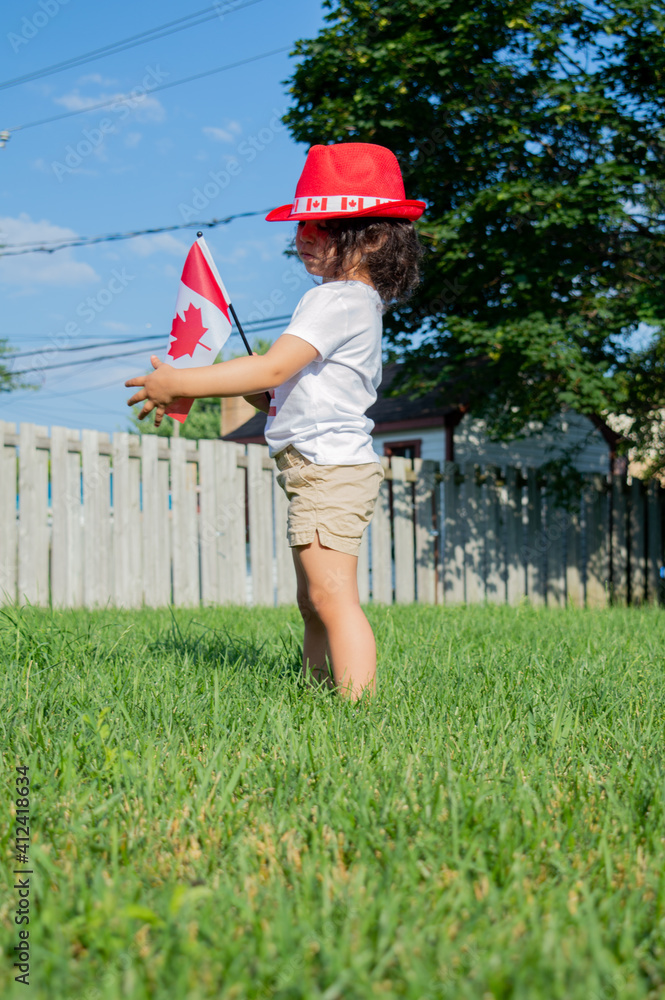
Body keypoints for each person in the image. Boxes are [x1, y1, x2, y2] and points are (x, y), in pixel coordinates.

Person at [126, 142, 425, 700]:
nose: (304, 236)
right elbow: (287, 387)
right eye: (302, 224)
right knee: (312, 599)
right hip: (321, 467)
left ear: (377, 237)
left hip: (328, 468)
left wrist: (179, 382)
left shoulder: (335, 299)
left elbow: (273, 364)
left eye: (324, 225)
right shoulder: (351, 302)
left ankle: (359, 711)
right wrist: (269, 397)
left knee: (332, 595)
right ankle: (316, 694)